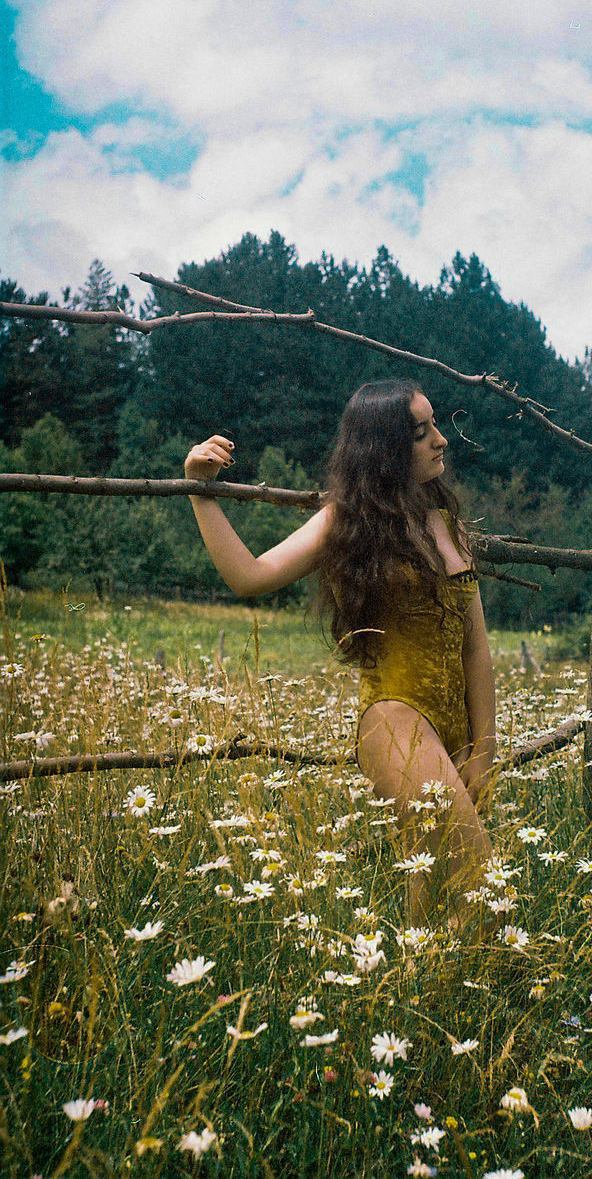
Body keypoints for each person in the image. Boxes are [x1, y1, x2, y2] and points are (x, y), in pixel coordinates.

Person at [184, 379, 495, 928]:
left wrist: (483, 745)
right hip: (395, 720)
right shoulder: (346, 519)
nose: (441, 441)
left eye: (435, 426)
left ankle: (411, 1001)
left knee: (428, 911)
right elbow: (249, 576)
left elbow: (476, 647)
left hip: (453, 731)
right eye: (422, 433)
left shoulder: (447, 523)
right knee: (482, 888)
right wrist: (200, 494)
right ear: (385, 449)